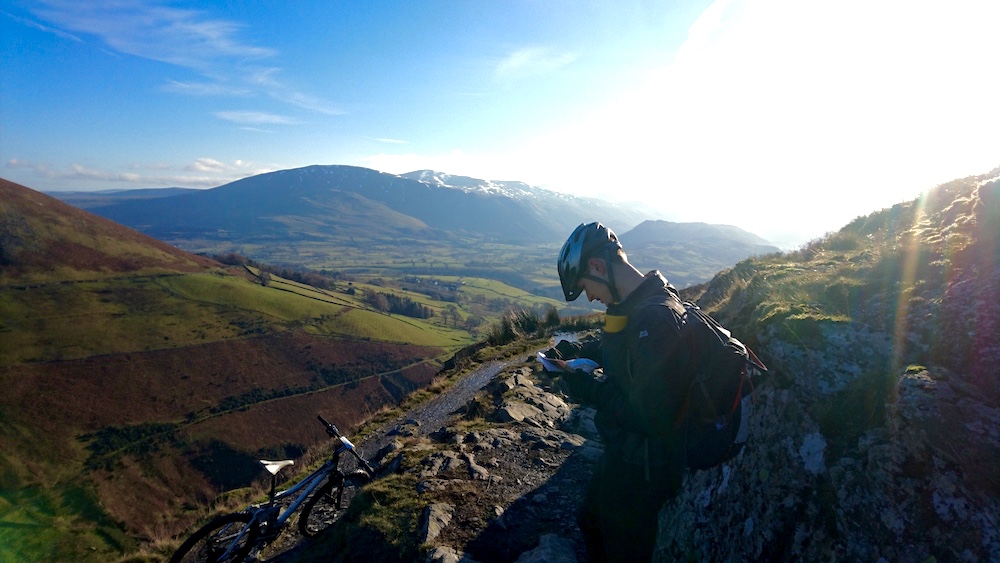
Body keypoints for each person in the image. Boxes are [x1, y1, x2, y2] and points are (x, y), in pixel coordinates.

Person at [555, 222, 691, 562]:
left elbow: (650, 416)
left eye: (584, 285)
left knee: (622, 551)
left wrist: (590, 389)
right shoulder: (635, 304)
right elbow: (626, 355)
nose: (588, 296)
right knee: (590, 521)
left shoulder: (655, 319)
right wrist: (576, 357)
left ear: (598, 267)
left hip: (643, 469)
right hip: (623, 452)